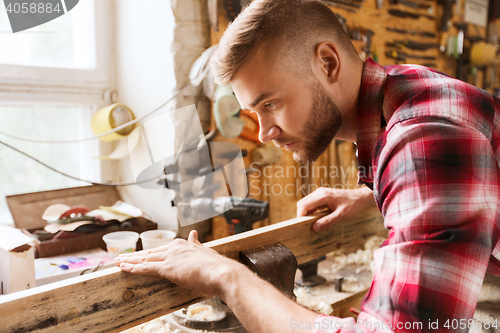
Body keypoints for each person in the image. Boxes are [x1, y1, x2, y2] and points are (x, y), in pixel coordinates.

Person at [114, 0, 500, 332]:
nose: (264, 133)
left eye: (270, 104)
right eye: (253, 111)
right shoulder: (406, 89)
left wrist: (228, 277)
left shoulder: (423, 139)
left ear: (328, 62)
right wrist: (370, 193)